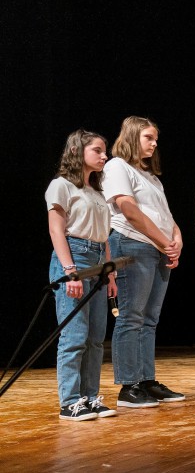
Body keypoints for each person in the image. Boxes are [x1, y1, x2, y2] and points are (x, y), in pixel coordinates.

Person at [103, 116, 185, 408]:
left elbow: (165, 215)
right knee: (131, 316)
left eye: (155, 139)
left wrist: (176, 238)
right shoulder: (117, 166)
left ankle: (146, 380)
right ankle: (129, 386)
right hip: (132, 244)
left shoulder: (150, 176)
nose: (154, 144)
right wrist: (164, 242)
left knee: (150, 320)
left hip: (157, 249)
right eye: (148, 137)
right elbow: (129, 210)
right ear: (132, 137)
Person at [45, 129, 118, 420]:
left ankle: (90, 396)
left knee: (95, 337)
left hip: (98, 260)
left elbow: (104, 237)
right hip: (74, 257)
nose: (104, 156)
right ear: (77, 151)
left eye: (104, 150)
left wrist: (110, 273)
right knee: (74, 335)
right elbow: (56, 230)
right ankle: (70, 401)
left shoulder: (97, 192)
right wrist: (70, 271)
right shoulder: (61, 185)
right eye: (97, 150)